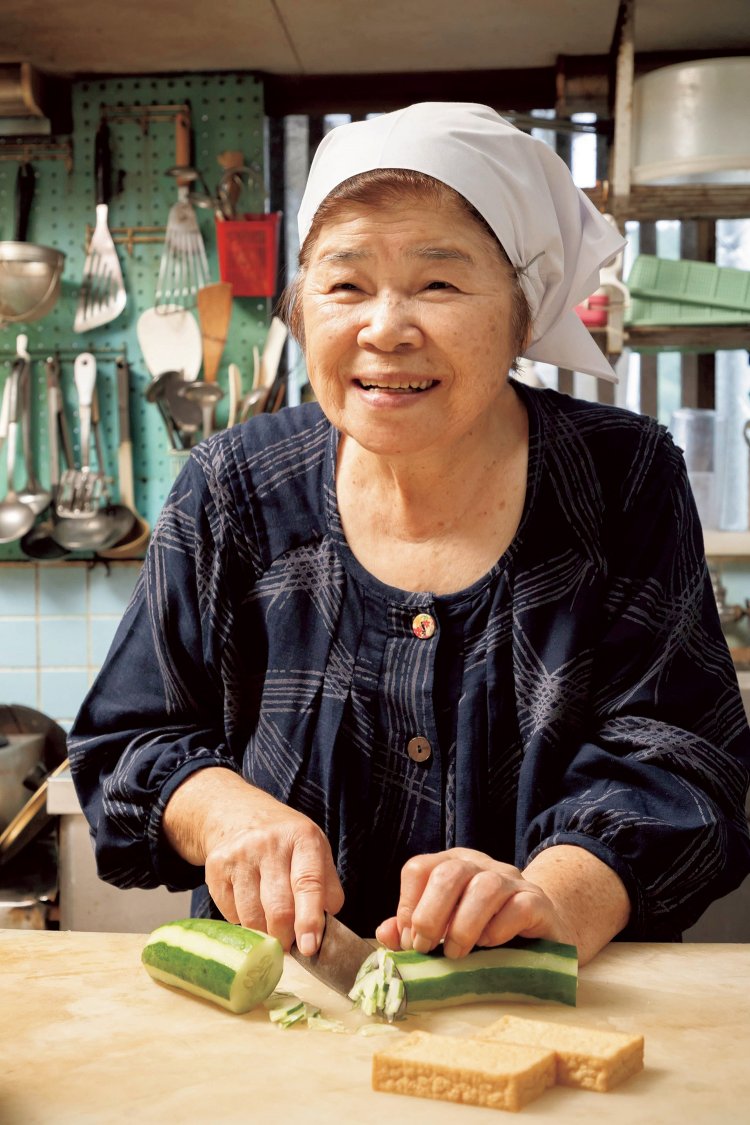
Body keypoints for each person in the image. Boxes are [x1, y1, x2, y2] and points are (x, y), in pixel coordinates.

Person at [69, 103, 750, 967]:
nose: (384, 328)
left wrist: (552, 891)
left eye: (438, 282)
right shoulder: (233, 487)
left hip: (555, 1016)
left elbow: (686, 760)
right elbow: (128, 743)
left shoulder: (621, 478)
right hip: (286, 1019)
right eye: (345, 284)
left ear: (521, 310)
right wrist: (225, 811)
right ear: (302, 307)